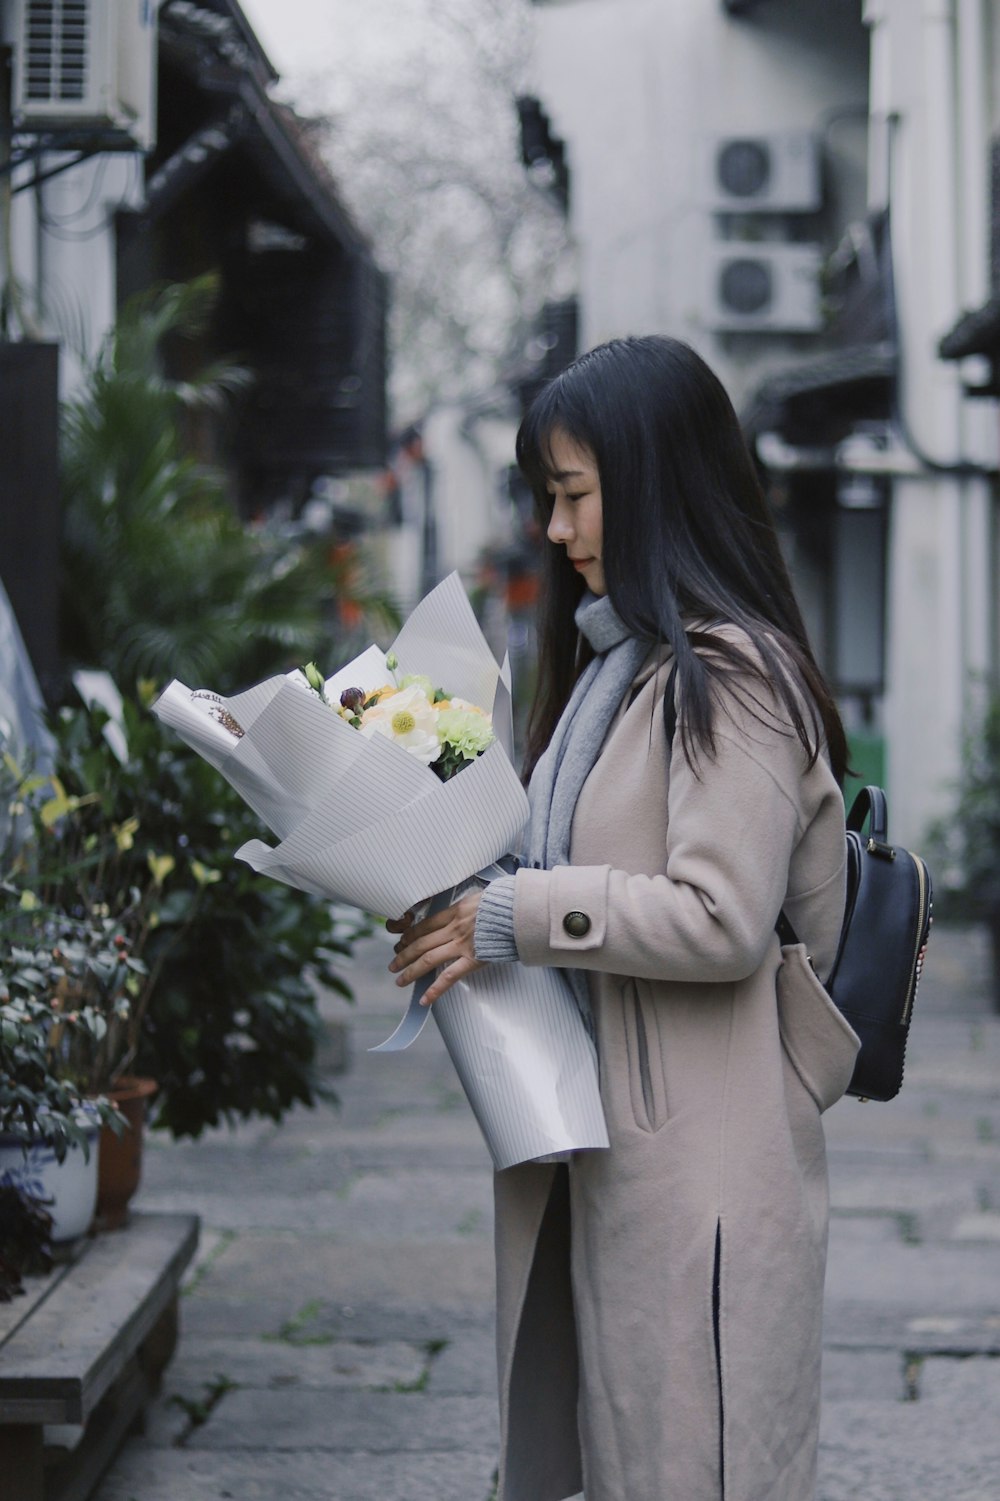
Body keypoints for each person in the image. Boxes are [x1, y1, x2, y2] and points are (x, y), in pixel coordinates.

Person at [387, 335, 860, 1501]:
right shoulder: (621, 669)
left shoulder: (733, 677)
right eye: (549, 498)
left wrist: (514, 911)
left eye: (574, 495)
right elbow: (561, 865)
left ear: (656, 485)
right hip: (610, 1154)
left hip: (698, 1170)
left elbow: (720, 917)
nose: (555, 530)